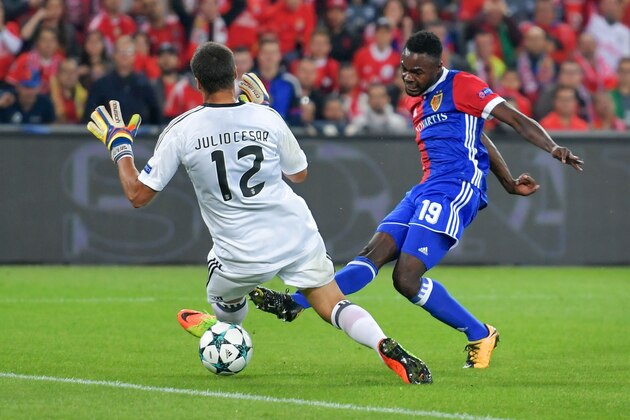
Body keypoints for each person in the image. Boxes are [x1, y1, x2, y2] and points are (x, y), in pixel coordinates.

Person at [85, 41, 432, 385]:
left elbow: (137, 195)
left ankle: (225, 332)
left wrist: (120, 145)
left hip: (240, 253)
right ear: (236, 75)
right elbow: (299, 174)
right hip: (296, 234)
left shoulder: (182, 129)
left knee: (222, 294)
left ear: (197, 83)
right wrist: (263, 110)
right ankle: (381, 342)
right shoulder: (266, 115)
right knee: (331, 302)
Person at [248, 30, 583, 370]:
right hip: (425, 187)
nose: (408, 77)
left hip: (457, 187)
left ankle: (480, 333)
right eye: (404, 68)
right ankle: (295, 304)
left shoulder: (464, 85)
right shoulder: (415, 96)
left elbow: (516, 120)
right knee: (371, 256)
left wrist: (553, 149)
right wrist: (509, 182)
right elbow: (476, 135)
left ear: (439, 66)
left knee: (406, 278)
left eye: (417, 71)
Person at [82, 35, 160, 125]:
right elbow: (89, 117)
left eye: (128, 51)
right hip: (108, 137)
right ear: (114, 55)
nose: (124, 55)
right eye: (121, 51)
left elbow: (156, 117)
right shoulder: (100, 85)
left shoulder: (145, 85)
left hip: (139, 137)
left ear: (134, 56)